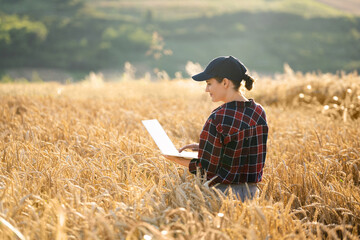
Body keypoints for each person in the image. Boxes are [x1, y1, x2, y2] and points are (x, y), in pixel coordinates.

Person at [164, 56, 268, 201]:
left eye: (209, 83)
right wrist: (205, 147)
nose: (206, 89)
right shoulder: (258, 111)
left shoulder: (219, 117)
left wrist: (174, 158)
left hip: (222, 196)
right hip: (252, 194)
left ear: (225, 82)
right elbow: (241, 149)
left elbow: (206, 169)